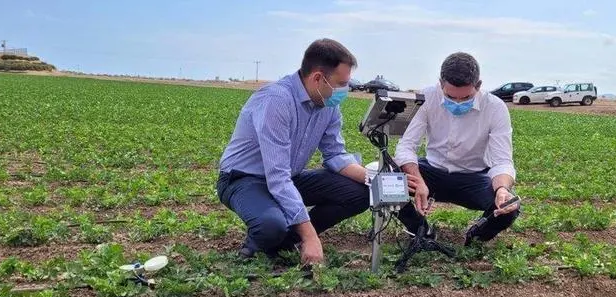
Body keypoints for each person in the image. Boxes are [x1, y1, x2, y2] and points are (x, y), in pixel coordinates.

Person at [216, 38, 370, 265]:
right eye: (341, 83)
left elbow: (336, 155)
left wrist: (374, 179)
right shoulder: (276, 100)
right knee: (271, 226)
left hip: (290, 178)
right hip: (244, 179)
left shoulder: (329, 105)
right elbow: (276, 176)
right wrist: (310, 234)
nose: (344, 90)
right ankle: (272, 237)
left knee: (359, 193)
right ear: (318, 77)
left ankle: (289, 239)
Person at [393, 52, 520, 245]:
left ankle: (475, 237)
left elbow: (502, 160)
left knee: (509, 206)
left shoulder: (495, 107)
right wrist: (418, 181)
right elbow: (406, 146)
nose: (458, 103)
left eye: (466, 97)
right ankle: (420, 228)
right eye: (450, 97)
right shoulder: (426, 98)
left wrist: (502, 189)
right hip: (432, 172)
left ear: (479, 85)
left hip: (474, 178)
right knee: (385, 178)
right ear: (440, 83)